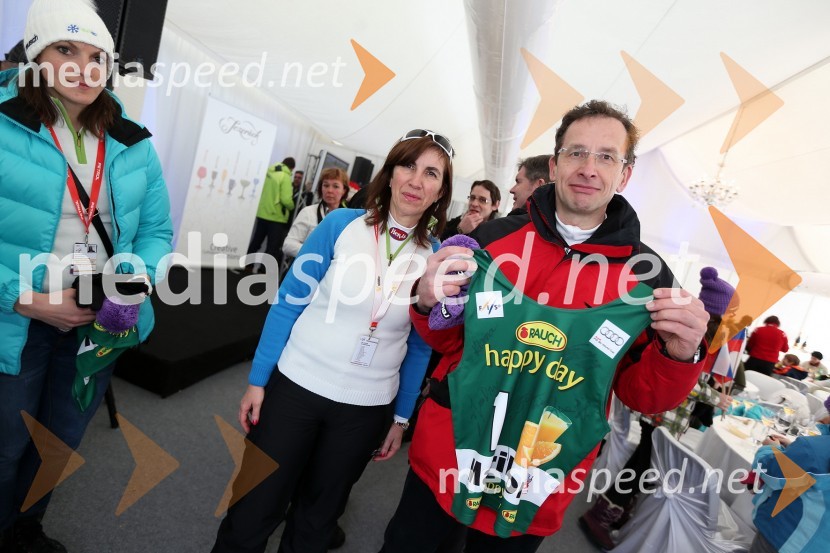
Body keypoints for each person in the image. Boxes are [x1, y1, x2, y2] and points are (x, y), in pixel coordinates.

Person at [379, 100, 709, 553]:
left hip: (534, 481)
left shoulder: (647, 276)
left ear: (625, 174)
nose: (589, 168)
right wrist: (426, 299)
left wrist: (680, 355)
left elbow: (643, 396)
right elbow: (445, 339)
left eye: (606, 156)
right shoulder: (493, 240)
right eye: (576, 153)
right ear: (554, 166)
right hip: (448, 451)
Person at [212, 128, 454, 553]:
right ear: (391, 173)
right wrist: (257, 380)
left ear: (440, 191)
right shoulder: (340, 225)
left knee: (316, 522)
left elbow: (419, 346)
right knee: (253, 508)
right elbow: (288, 302)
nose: (417, 180)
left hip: (366, 408)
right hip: (295, 389)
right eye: (408, 165)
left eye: (431, 173)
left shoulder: (436, 259)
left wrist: (401, 419)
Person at [0, 1, 173, 551]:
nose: (84, 68)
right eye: (66, 50)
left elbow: (157, 233)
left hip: (97, 324)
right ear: (35, 57)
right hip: (18, 321)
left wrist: (131, 281)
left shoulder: (131, 140)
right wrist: (24, 299)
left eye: (98, 56)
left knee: (59, 440)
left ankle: (26, 528)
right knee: (6, 442)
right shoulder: (4, 124)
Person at [579, 266, 735, 549]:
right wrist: (716, 398)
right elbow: (692, 381)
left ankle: (614, 511)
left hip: (663, 414)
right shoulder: (701, 333)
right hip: (665, 414)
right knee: (640, 468)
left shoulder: (705, 332)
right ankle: (601, 514)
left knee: (642, 466)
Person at [750, 433, 830, 552]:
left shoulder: (813, 449)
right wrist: (796, 450)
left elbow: (766, 471)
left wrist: (769, 448)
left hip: (783, 539)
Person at [282, 167, 349, 260]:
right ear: (320, 188)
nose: (330, 190)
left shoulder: (349, 219)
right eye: (326, 185)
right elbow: (288, 245)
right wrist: (315, 254)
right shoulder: (308, 212)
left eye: (336, 186)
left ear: (344, 190)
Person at [246, 157, 295, 274]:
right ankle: (262, 270)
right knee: (272, 247)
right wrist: (292, 207)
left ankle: (247, 266)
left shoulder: (268, 172)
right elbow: (286, 199)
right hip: (276, 217)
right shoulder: (285, 177)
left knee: (256, 241)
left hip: (262, 213)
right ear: (291, 168)